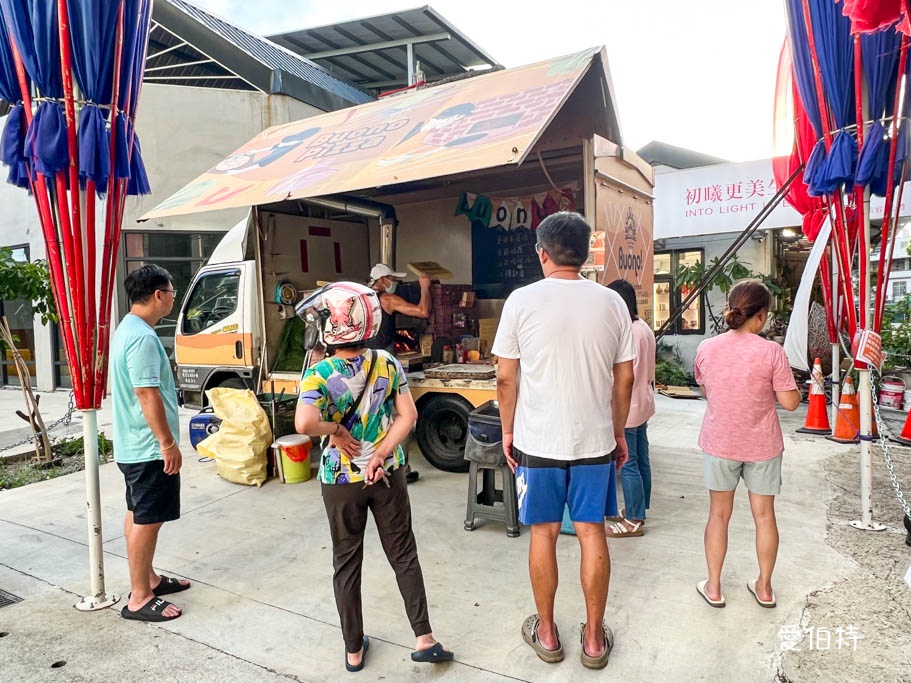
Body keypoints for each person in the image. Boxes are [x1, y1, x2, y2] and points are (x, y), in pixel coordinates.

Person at [493, 211, 634, 670]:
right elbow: (625, 378)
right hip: (594, 440)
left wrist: (509, 430)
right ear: (585, 251)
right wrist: (617, 431)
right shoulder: (613, 303)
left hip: (538, 441)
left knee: (544, 532)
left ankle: (548, 633)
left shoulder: (520, 301)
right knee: (593, 531)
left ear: (542, 253)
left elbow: (505, 377)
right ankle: (594, 641)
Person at [295, 282, 453, 673]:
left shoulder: (319, 373)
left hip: (340, 478)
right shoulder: (385, 361)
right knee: (403, 553)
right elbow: (408, 417)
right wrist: (381, 453)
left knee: (346, 562)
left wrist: (335, 431)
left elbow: (304, 422)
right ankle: (424, 637)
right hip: (386, 474)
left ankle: (353, 650)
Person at [693, 279, 800, 609]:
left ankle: (713, 587)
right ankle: (764, 588)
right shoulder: (772, 352)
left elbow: (707, 389)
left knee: (718, 515)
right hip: (762, 446)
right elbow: (791, 403)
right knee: (765, 516)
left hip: (720, 442)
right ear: (762, 315)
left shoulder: (707, 349)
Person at [111, 265, 190, 622]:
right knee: (147, 520)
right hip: (147, 448)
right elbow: (146, 393)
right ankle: (140, 597)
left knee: (137, 513)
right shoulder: (142, 337)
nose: (173, 297)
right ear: (159, 295)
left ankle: (150, 579)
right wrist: (167, 443)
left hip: (134, 445)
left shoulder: (127, 328)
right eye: (172, 291)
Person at [365, 263, 432, 484]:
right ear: (382, 280)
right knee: (401, 415)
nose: (395, 283)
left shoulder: (362, 299)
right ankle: (400, 467)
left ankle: (373, 463)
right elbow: (423, 311)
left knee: (372, 414)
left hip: (363, 361)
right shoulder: (386, 299)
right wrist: (425, 287)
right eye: (392, 279)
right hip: (383, 363)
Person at [605, 279, 656, 538]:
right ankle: (638, 508)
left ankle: (634, 518)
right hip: (643, 401)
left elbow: (625, 377)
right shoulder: (643, 327)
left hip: (630, 406)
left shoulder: (629, 333)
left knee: (629, 463)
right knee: (641, 458)